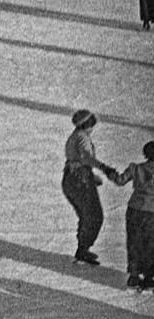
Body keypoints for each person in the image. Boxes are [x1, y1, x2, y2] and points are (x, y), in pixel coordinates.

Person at [64, 109, 121, 265]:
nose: (93, 128)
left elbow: (75, 160)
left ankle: (82, 249)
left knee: (86, 215)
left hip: (72, 179)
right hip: (79, 180)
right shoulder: (82, 137)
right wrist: (105, 168)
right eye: (91, 125)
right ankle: (83, 249)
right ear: (87, 124)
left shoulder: (75, 136)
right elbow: (86, 157)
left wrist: (90, 176)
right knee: (95, 216)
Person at [108, 140, 154, 290]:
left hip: (134, 210)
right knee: (151, 244)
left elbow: (120, 181)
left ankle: (133, 276)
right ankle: (149, 277)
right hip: (152, 213)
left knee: (134, 241)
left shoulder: (136, 168)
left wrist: (110, 172)